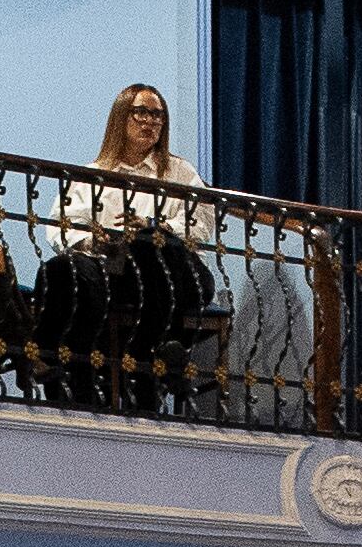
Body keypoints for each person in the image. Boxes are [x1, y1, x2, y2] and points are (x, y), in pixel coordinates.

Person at [31, 81, 222, 407]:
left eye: (158, 115)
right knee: (63, 268)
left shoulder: (179, 171)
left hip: (178, 273)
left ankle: (147, 357)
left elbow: (200, 224)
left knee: (146, 243)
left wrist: (154, 227)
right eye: (142, 113)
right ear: (121, 117)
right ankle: (59, 360)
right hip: (121, 276)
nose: (151, 122)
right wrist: (93, 238)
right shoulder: (94, 173)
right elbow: (60, 227)